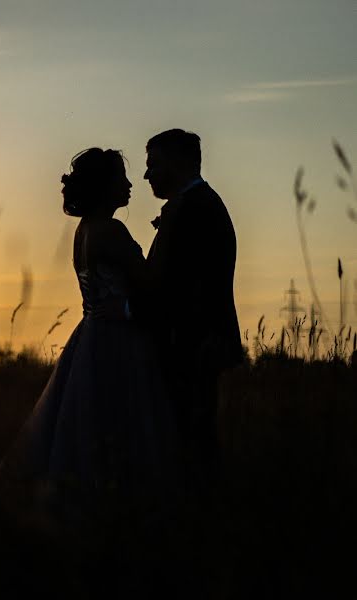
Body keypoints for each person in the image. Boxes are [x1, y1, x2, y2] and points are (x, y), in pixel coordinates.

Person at [0, 148, 177, 510]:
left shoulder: (84, 231)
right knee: (125, 425)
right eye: (120, 178)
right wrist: (167, 239)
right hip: (118, 340)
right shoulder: (110, 230)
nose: (129, 185)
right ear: (104, 185)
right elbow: (151, 283)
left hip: (91, 336)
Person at [136, 129, 243, 494]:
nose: (147, 175)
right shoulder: (195, 205)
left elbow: (190, 287)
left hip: (193, 345)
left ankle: (201, 521)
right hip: (188, 344)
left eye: (154, 165)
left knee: (192, 438)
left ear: (180, 163)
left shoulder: (197, 208)